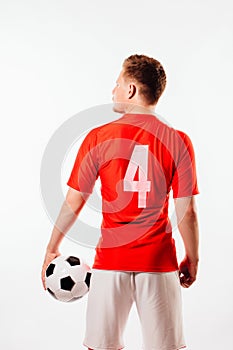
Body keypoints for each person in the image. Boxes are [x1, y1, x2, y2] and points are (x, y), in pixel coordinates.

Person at [41, 54, 199, 350]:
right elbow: (187, 211)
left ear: (130, 90)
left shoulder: (98, 137)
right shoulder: (178, 140)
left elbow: (74, 201)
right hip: (159, 262)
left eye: (117, 83)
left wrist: (52, 248)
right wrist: (193, 258)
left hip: (110, 263)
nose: (112, 90)